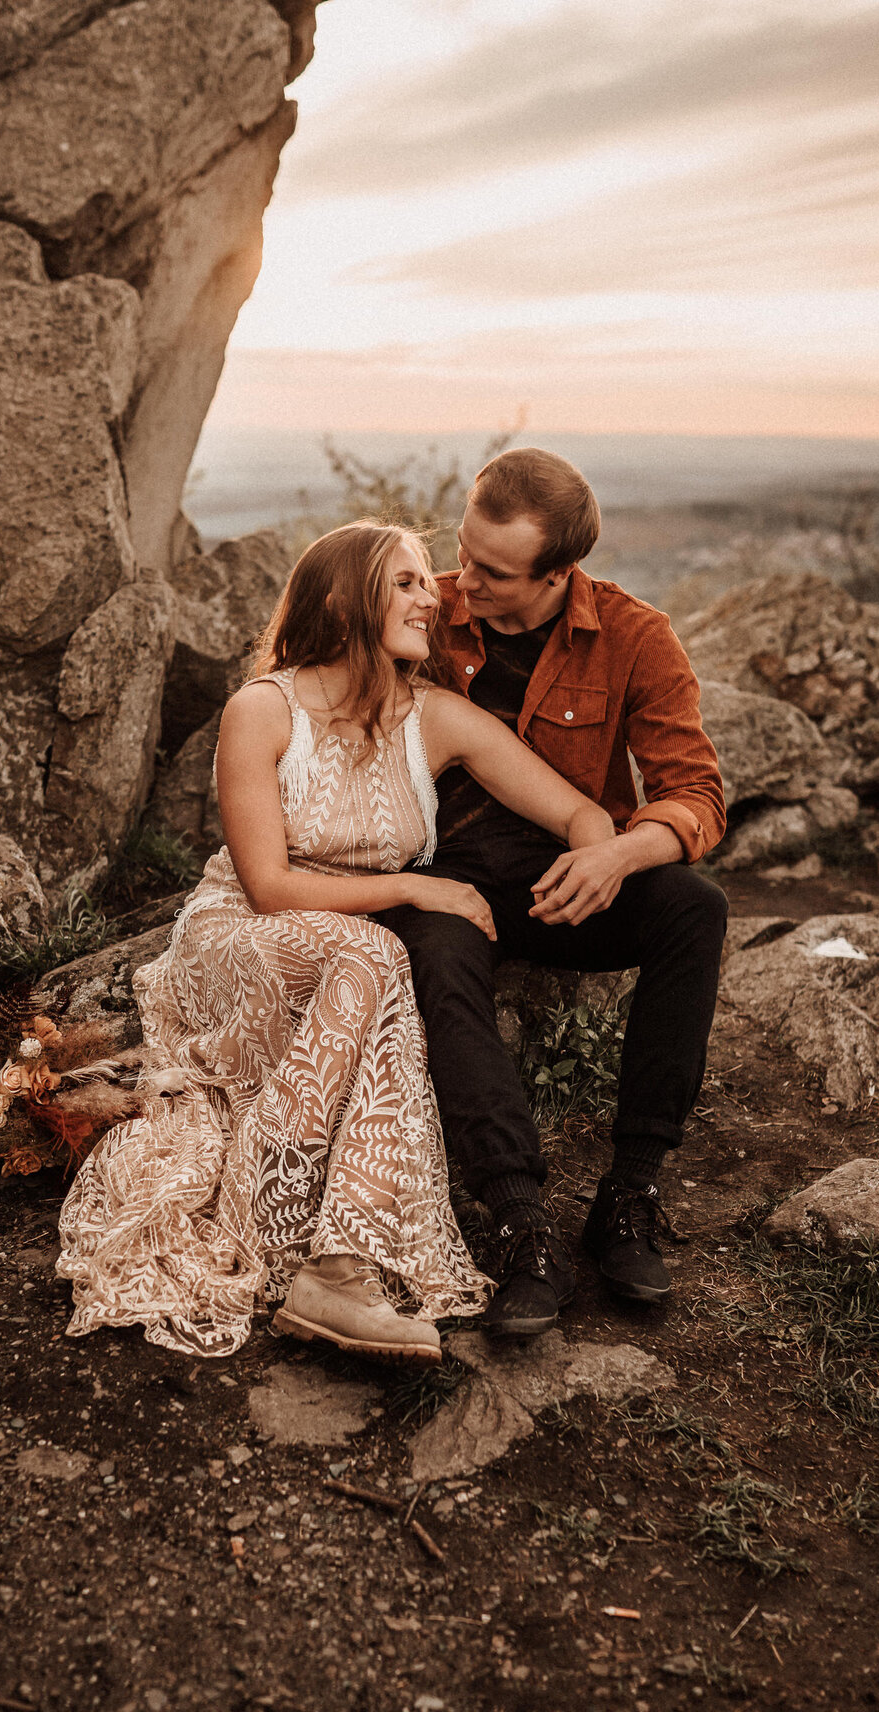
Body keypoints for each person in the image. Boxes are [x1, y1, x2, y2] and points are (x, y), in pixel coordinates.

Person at [57, 520, 615, 1362]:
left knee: (374, 956)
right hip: (240, 936)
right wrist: (414, 885)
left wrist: (598, 860)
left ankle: (337, 1265)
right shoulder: (264, 709)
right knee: (381, 950)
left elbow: (577, 810)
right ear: (338, 597)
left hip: (347, 950)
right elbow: (268, 887)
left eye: (430, 581)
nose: (434, 596)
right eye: (407, 582)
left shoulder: (434, 718)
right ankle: (328, 1263)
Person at [381, 449, 728, 1337]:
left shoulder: (634, 636)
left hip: (569, 873)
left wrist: (618, 855)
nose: (465, 584)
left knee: (695, 906)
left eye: (494, 573)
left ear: (559, 571)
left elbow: (696, 794)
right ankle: (518, 1217)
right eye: (464, 553)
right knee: (439, 951)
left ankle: (631, 1191)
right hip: (444, 872)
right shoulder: (421, 608)